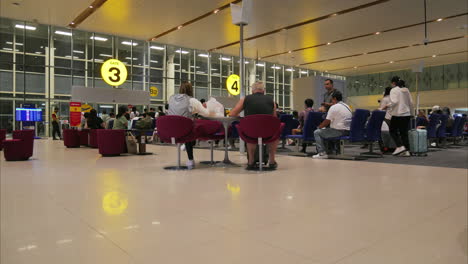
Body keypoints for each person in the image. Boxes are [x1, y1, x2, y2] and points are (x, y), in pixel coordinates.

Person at [230, 81, 278, 170]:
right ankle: (272, 161)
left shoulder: (245, 99)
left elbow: (232, 114)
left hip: (251, 133)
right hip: (268, 133)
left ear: (252, 91)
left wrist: (243, 120)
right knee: (275, 133)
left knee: (251, 132)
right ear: (263, 91)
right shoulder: (271, 101)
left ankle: (251, 162)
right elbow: (274, 118)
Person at [168, 82, 212, 169]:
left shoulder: (171, 99)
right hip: (186, 130)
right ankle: (190, 159)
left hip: (172, 129)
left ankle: (185, 144)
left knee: (189, 128)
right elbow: (207, 114)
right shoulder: (192, 100)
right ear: (191, 90)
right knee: (197, 127)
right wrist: (203, 107)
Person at [312, 90, 352, 159]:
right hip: (348, 131)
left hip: (339, 131)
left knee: (317, 132)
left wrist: (319, 127)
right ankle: (330, 150)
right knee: (326, 130)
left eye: (332, 99)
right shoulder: (347, 106)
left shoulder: (334, 107)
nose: (331, 101)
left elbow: (327, 121)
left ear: (335, 99)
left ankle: (322, 153)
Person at [384, 76, 414, 157]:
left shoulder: (394, 90)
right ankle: (407, 151)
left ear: (393, 83)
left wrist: (387, 105)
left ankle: (400, 146)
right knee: (404, 133)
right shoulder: (406, 90)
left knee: (392, 131)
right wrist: (412, 113)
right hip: (407, 114)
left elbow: (394, 101)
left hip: (397, 114)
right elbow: (411, 102)